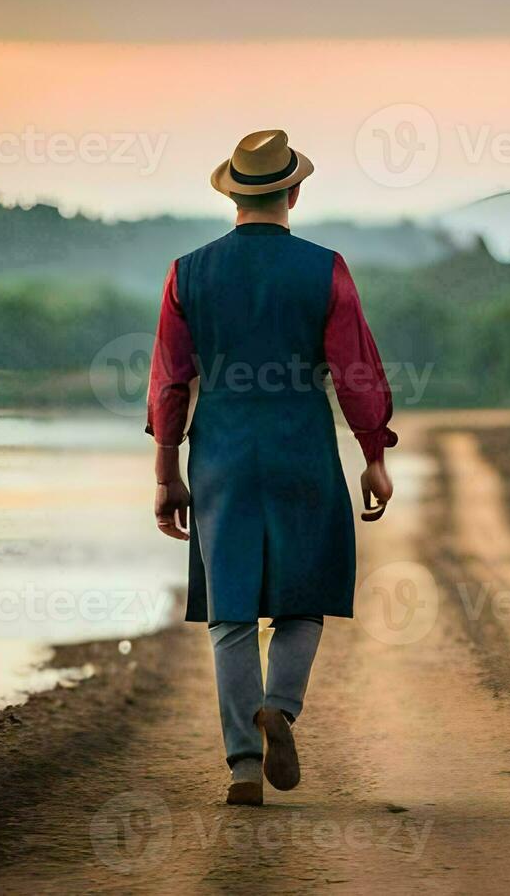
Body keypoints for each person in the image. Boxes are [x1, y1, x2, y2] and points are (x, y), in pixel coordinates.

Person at [145, 129, 397, 806]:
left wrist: (167, 473)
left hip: (223, 451)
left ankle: (244, 769)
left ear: (231, 192)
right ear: (295, 191)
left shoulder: (187, 272)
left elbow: (170, 382)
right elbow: (356, 372)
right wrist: (373, 454)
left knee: (229, 612)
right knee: (304, 596)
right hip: (301, 447)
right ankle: (279, 709)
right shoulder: (326, 269)